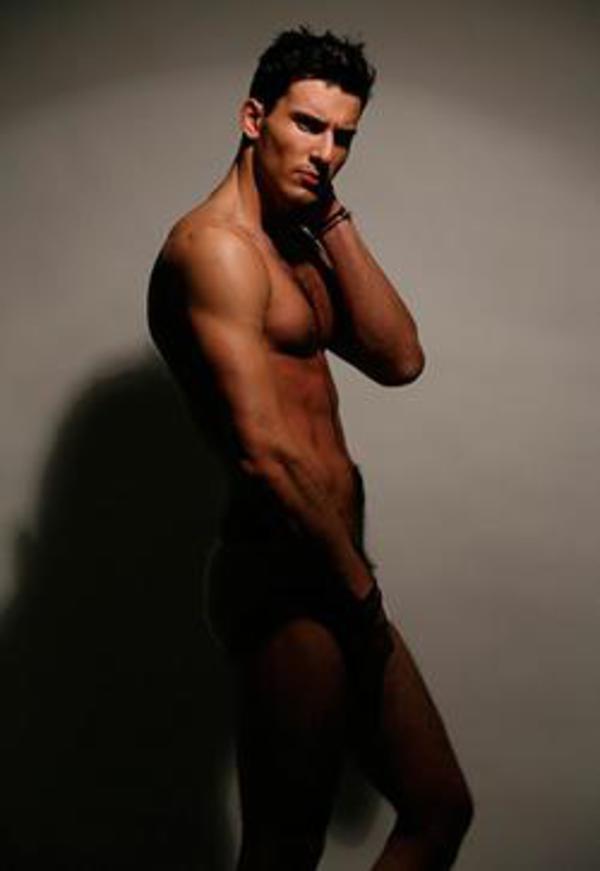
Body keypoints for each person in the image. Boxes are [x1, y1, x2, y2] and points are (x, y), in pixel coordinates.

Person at [147, 27, 473, 870]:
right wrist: (358, 596)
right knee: (285, 844)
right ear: (254, 118)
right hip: (282, 571)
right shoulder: (213, 251)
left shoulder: (296, 245)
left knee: (439, 807)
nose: (326, 152)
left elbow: (400, 357)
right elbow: (265, 453)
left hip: (334, 567)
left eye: (343, 137)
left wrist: (330, 216)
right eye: (308, 125)